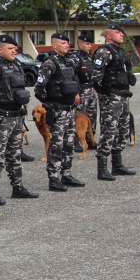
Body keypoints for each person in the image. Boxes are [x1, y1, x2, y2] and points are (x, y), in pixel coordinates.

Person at [0, 34, 39, 205]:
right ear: (0, 50)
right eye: (10, 49)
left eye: (15, 48)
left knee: (15, 154)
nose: (14, 51)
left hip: (17, 117)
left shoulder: (17, 65)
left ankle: (17, 187)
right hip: (1, 118)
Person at [35, 32, 86, 191]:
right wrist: (50, 104)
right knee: (56, 145)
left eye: (67, 43)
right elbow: (39, 88)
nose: (67, 45)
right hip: (57, 111)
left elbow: (74, 82)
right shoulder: (49, 63)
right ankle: (53, 178)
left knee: (69, 144)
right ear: (54, 45)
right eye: (63, 43)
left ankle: (67, 174)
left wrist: (75, 94)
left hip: (70, 110)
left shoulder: (69, 62)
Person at [91, 24, 137, 180]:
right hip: (111, 96)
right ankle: (102, 168)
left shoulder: (120, 51)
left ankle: (117, 165)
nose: (122, 34)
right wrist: (104, 92)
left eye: (122, 32)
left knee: (122, 130)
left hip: (123, 95)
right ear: (109, 36)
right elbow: (96, 76)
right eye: (118, 32)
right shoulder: (104, 52)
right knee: (109, 130)